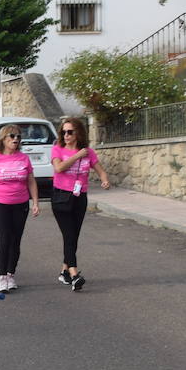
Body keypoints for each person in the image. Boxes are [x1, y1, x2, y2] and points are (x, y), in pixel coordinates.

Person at [50, 116, 111, 291]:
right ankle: (75, 275)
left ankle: (64, 272)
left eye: (70, 131)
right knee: (69, 235)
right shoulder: (58, 150)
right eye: (64, 132)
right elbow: (59, 168)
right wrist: (77, 155)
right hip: (61, 197)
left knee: (73, 236)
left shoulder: (89, 152)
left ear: (78, 132)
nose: (66, 135)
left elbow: (100, 170)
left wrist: (105, 180)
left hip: (79, 197)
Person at [0, 124, 40, 296]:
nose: (16, 139)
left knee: (16, 240)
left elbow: (31, 181)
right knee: (4, 238)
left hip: (20, 204)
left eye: (18, 137)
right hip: (0, 203)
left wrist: (35, 202)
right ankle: (2, 277)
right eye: (12, 136)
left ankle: (11, 274)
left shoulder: (24, 158)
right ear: (3, 139)